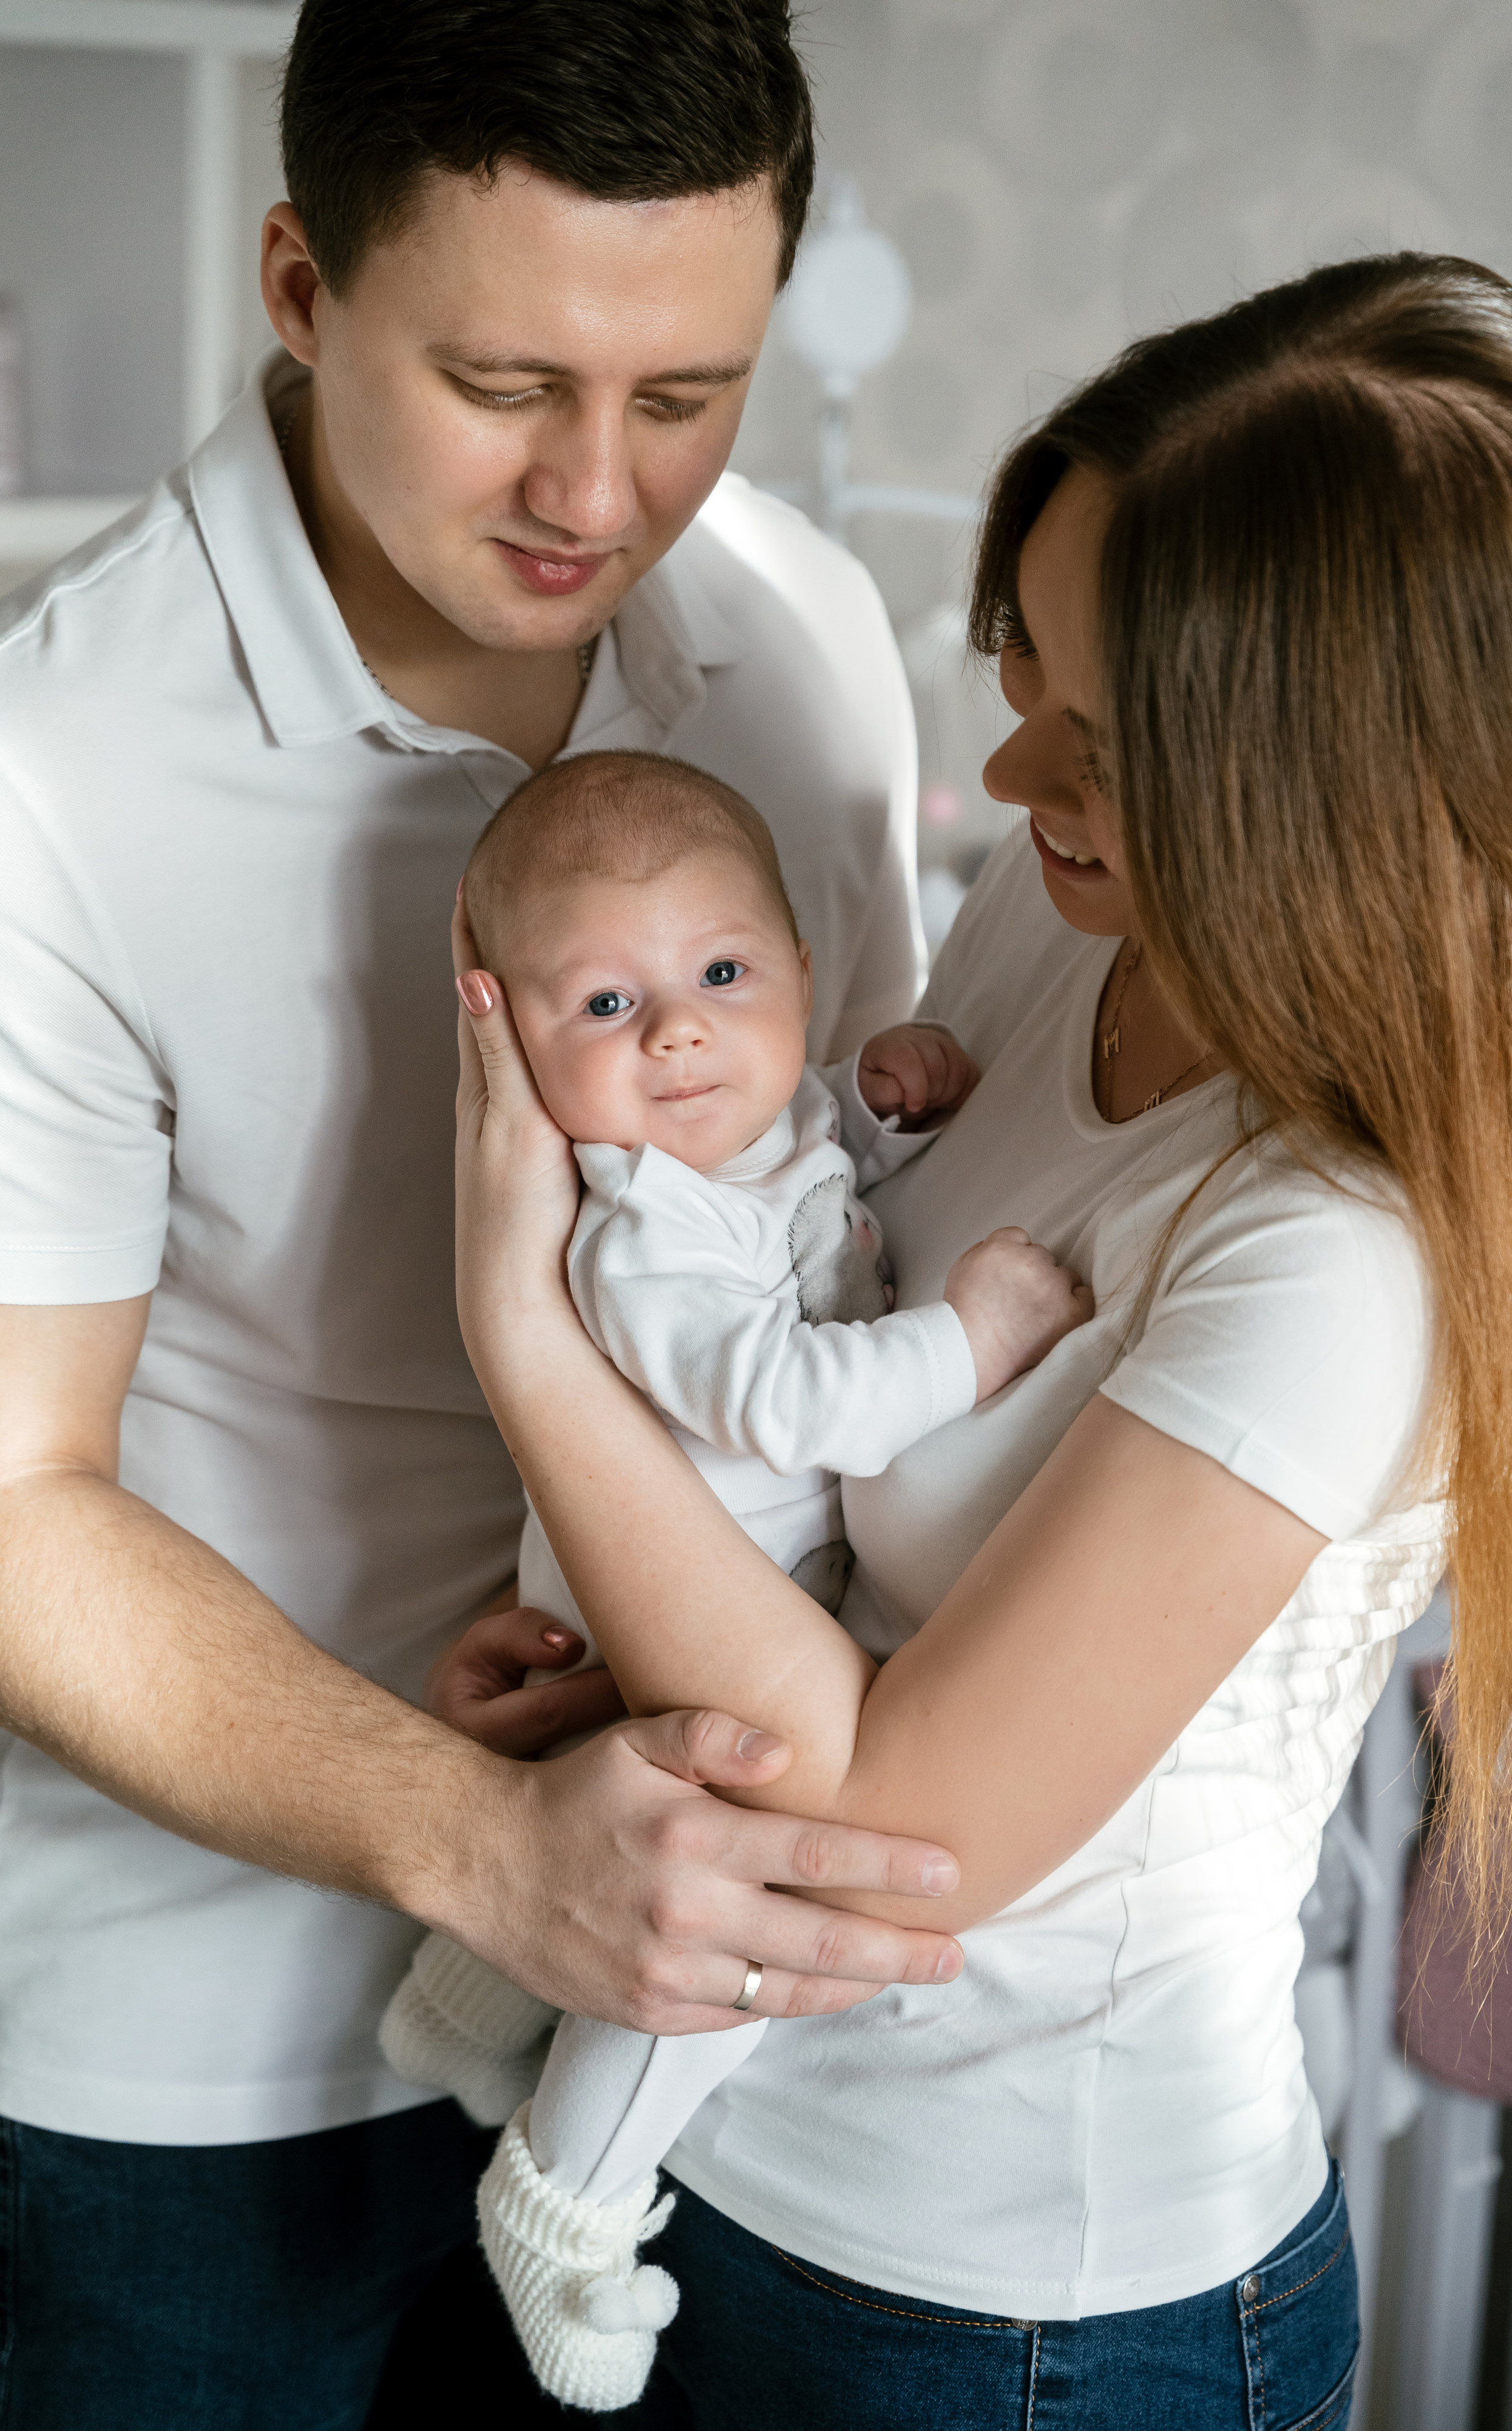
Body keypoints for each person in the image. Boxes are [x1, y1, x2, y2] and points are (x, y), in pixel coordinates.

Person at [446, 250, 1512, 2427]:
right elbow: (814, 1352)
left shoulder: (1335, 1254)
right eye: (1031, 659)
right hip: (725, 2161)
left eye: (1104, 735)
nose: (1013, 751)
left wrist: (527, 1338)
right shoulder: (1059, 937)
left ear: (1311, 791)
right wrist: (595, 1646)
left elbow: (898, 1829)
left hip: (1023, 2311)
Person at [0, 6, 969, 2424]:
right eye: (506, 380)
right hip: (189, 2063)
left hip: (707, 2031)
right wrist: (488, 1842)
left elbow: (846, 1207)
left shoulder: (804, 640)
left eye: (683, 393)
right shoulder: (56, 769)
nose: (596, 488)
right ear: (301, 286)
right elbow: (12, 1492)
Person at [374, 749, 1090, 2408]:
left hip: (696, 1617)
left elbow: (829, 1199)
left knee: (633, 1837)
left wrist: (883, 1099)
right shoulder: (639, 1228)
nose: (677, 1033)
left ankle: (467, 2001)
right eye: (606, 1004)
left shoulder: (769, 1134)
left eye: (719, 975)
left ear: (803, 974)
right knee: (718, 1931)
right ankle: (566, 2196)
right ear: (510, 1046)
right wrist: (971, 1339)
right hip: (689, 1631)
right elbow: (788, 1392)